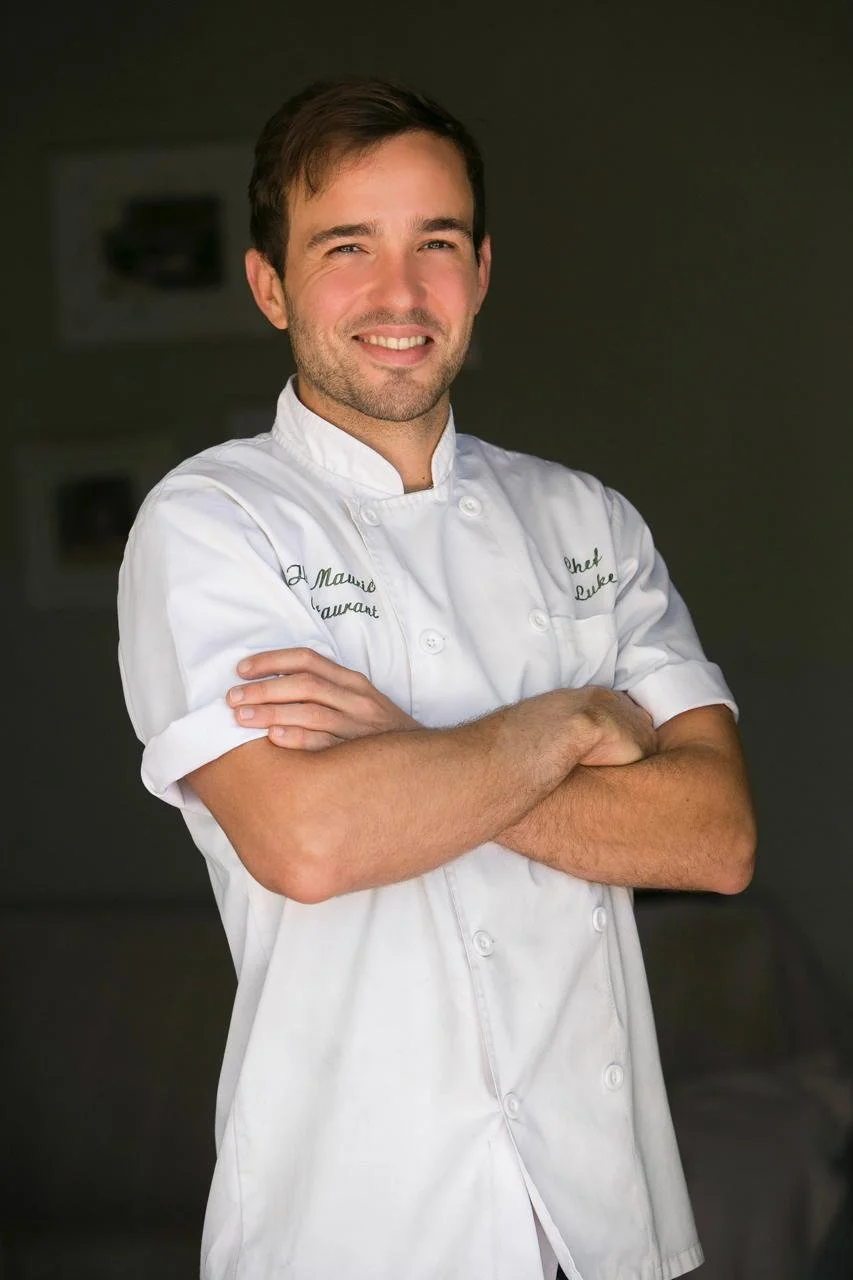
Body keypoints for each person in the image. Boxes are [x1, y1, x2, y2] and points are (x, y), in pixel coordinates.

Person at [117, 77, 756, 1280]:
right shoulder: (212, 521)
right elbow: (311, 840)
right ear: (270, 284)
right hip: (355, 1223)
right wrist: (576, 717)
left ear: (482, 269)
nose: (398, 294)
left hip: (602, 1221)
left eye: (437, 245)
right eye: (345, 246)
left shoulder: (586, 517)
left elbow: (713, 837)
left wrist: (409, 744)